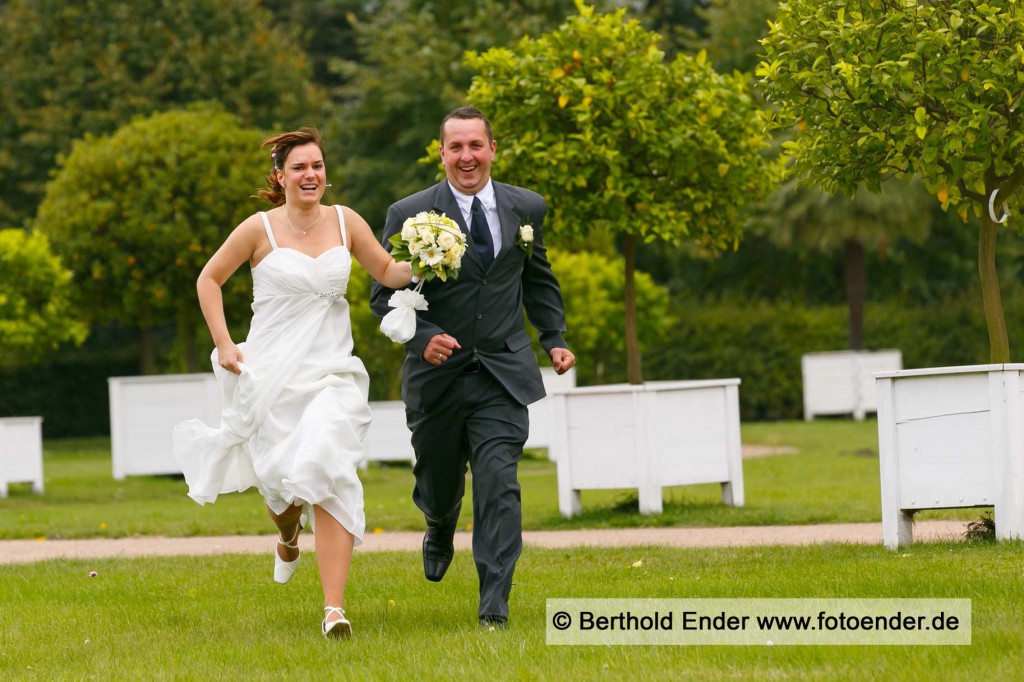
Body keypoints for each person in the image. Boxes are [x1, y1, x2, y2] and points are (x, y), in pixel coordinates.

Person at [173, 127, 412, 639]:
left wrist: (432, 258)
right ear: (280, 177)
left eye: (318, 166)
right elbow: (208, 279)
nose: (312, 175)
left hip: (331, 373)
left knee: (327, 464)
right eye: (300, 167)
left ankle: (333, 609)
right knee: (281, 485)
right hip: (271, 375)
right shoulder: (258, 229)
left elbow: (388, 271)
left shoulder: (347, 221)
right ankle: (287, 537)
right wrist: (225, 343)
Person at [370, 106, 575, 629]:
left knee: (498, 483)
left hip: (503, 373)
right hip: (436, 380)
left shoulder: (527, 207)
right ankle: (438, 525)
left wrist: (553, 338)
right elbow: (381, 297)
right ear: (441, 153)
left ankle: (494, 606)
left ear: (492, 149)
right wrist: (421, 338)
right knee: (439, 484)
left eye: (475, 146)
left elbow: (537, 278)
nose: (467, 157)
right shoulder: (408, 214)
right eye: (455, 147)